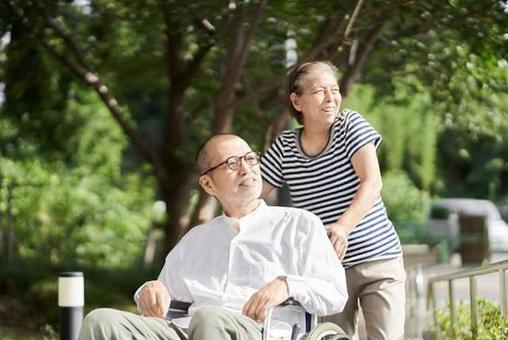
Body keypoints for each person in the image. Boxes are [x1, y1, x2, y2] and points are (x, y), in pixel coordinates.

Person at [79, 134, 348, 340]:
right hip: (187, 332)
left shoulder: (299, 224)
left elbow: (335, 293)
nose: (246, 169)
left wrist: (288, 285)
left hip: (259, 332)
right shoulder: (196, 239)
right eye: (232, 163)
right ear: (208, 184)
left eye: (250, 159)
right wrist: (150, 291)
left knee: (209, 319)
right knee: (101, 321)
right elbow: (162, 303)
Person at [260, 61, 405, 340]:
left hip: (379, 261)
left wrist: (342, 227)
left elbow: (372, 182)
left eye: (334, 90)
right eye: (319, 91)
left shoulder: (350, 125)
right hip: (326, 272)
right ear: (296, 101)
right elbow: (251, 199)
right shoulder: (285, 147)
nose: (331, 98)